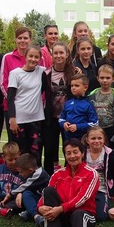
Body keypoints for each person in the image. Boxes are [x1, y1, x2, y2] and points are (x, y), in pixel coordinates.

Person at [37, 139, 99, 227]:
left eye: (75, 152)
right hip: (63, 216)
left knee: (78, 213)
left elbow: (83, 198)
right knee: (48, 191)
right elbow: (45, 194)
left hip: (84, 217)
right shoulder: (58, 174)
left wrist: (60, 208)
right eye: (68, 153)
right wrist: (40, 208)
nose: (72, 156)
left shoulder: (91, 173)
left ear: (82, 153)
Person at [7, 45, 45, 163]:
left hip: (36, 119)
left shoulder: (41, 71)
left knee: (36, 153)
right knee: (21, 153)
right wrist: (12, 119)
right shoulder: (15, 73)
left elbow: (59, 69)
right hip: (20, 120)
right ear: (25, 56)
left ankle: (36, 174)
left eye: (36, 57)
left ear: (40, 59)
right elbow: (10, 98)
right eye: (31, 56)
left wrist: (76, 70)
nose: (33, 59)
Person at [43, 42, 75, 172]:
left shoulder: (74, 73)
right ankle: (49, 176)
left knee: (70, 147)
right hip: (51, 117)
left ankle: (70, 174)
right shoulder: (46, 73)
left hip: (68, 117)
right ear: (51, 55)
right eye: (55, 53)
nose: (58, 55)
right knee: (50, 149)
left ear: (67, 54)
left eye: (61, 52)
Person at [0, 27, 32, 141]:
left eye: (25, 38)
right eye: (19, 38)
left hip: (31, 108)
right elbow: (3, 83)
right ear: (15, 40)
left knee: (32, 143)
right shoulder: (7, 57)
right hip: (12, 107)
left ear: (30, 40)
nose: (22, 40)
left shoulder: (37, 57)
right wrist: (15, 100)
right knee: (14, 143)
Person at [83, 127, 114, 222]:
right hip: (84, 189)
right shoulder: (83, 153)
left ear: (104, 139)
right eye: (93, 138)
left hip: (102, 189)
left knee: (101, 217)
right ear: (87, 140)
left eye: (99, 138)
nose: (96, 141)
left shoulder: (110, 154)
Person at [11, 153, 51, 223]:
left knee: (25, 194)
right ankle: (32, 213)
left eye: (21, 172)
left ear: (30, 170)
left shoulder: (39, 174)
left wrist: (10, 194)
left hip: (47, 201)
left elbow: (25, 186)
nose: (20, 174)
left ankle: (35, 216)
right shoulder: (29, 173)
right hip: (39, 198)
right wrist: (20, 193)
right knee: (26, 194)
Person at [59, 74, 98, 141]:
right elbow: (61, 118)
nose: (73, 88)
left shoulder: (88, 104)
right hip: (68, 138)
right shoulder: (68, 103)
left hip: (82, 139)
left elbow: (94, 123)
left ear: (85, 87)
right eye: (72, 85)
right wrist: (64, 124)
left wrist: (78, 127)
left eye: (77, 85)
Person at [88, 65, 114, 143]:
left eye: (108, 78)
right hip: (95, 129)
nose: (105, 80)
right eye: (102, 78)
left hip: (111, 129)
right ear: (97, 78)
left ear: (113, 78)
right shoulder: (92, 94)